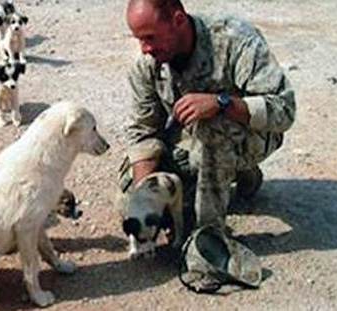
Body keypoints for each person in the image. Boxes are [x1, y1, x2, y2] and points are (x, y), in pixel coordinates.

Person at [120, 0, 296, 232]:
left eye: (150, 37)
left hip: (250, 133)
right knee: (129, 195)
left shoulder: (236, 40)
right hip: (189, 139)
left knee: (212, 127)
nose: (144, 48)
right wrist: (146, 198)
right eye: (139, 39)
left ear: (178, 21)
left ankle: (208, 237)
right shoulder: (148, 64)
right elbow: (144, 132)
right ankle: (238, 174)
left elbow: (284, 110)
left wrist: (221, 103)